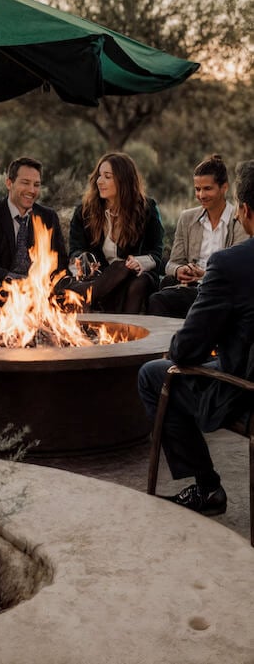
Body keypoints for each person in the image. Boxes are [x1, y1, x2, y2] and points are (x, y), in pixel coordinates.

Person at [138, 159, 254, 517]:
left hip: (245, 389)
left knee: (156, 373)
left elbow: (186, 349)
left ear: (244, 209)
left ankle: (207, 488)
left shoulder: (231, 263)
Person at [148, 154, 247, 318]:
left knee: (159, 299)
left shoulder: (239, 221)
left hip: (219, 290)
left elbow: (237, 271)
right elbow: (172, 263)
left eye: (207, 188)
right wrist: (180, 269)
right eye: (197, 189)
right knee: (162, 293)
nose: (201, 195)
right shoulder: (187, 218)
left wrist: (205, 274)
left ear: (224, 188)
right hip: (189, 286)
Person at [68, 152, 163, 313]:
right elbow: (76, 250)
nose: (99, 181)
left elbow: (156, 252)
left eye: (107, 176)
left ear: (123, 180)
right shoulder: (85, 212)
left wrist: (139, 261)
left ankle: (86, 295)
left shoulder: (146, 209)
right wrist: (84, 261)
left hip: (136, 275)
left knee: (131, 277)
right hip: (99, 276)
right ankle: (92, 293)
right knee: (118, 269)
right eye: (99, 176)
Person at [0, 156, 68, 285]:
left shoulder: (48, 217)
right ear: (9, 183)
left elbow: (61, 263)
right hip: (5, 289)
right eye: (25, 183)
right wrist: (24, 283)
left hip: (43, 290)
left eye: (36, 185)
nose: (31, 190)